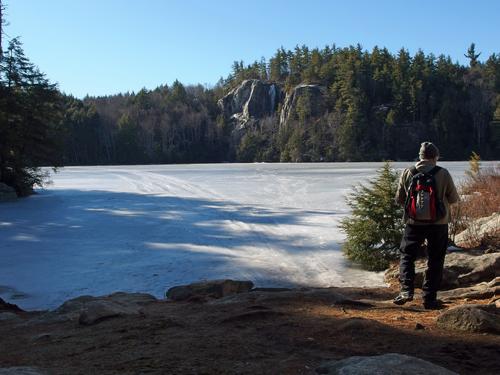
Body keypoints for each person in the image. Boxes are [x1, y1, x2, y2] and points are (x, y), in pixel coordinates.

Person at [393, 142, 459, 309]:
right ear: (435, 156)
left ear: (420, 156)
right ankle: (429, 299)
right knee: (435, 259)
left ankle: (406, 290)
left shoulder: (408, 172)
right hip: (439, 223)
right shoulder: (443, 173)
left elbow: (400, 199)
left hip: (413, 222)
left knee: (407, 255)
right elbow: (453, 199)